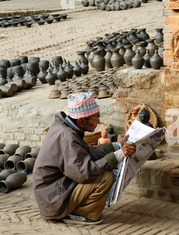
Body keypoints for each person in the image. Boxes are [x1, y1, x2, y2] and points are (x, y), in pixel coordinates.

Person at [32, 92, 136, 225]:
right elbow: (85, 173)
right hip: (54, 200)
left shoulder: (65, 128)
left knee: (103, 169)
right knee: (105, 177)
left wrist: (116, 145)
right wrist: (119, 155)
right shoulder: (67, 138)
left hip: (56, 191)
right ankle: (83, 214)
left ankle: (77, 209)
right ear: (81, 121)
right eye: (96, 118)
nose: (99, 122)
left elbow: (86, 152)